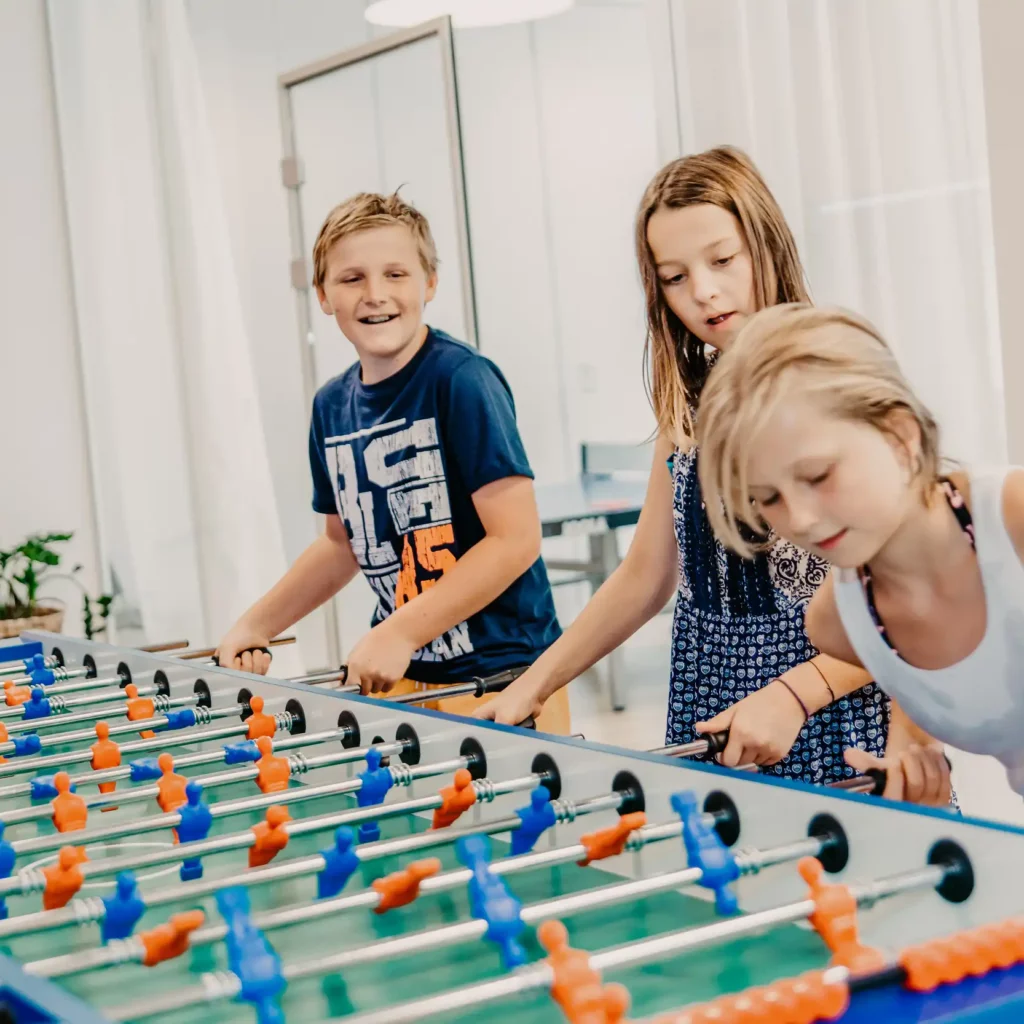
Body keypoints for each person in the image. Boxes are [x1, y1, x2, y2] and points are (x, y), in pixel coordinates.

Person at [477, 147, 926, 794]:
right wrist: (536, 684)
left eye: (722, 260)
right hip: (712, 696)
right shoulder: (689, 400)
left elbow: (906, 596)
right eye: (674, 276)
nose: (703, 291)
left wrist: (795, 695)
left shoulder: (832, 370)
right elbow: (645, 576)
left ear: (765, 245)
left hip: (831, 708)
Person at [216, 191, 568, 732]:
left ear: (430, 282)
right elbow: (340, 545)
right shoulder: (331, 406)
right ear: (323, 294)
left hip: (504, 676)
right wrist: (258, 623)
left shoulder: (462, 381)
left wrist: (400, 631)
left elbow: (515, 539)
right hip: (406, 673)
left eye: (396, 274)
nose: (375, 294)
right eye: (352, 278)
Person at [697, 302, 1018, 799]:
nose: (800, 520)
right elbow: (918, 734)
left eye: (818, 476)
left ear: (900, 436)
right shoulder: (841, 623)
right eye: (769, 498)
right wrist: (918, 789)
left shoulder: (1013, 517)